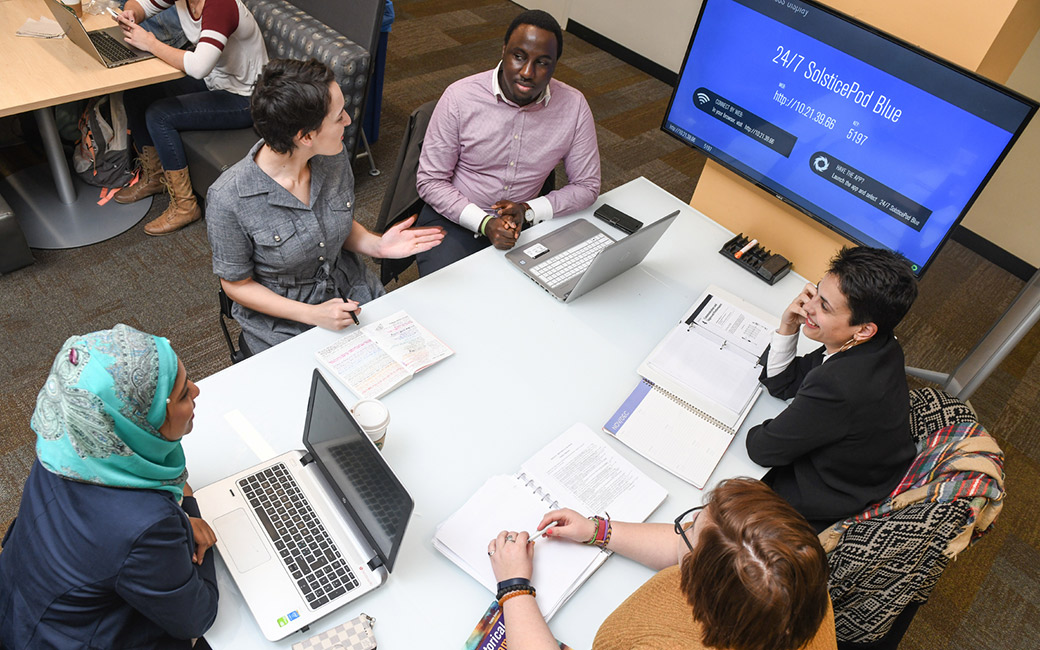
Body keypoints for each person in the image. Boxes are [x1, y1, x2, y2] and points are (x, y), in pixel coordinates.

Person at [0, 324, 218, 649]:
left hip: (19, 609)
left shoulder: (66, 442)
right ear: (139, 419)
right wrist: (190, 526)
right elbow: (196, 616)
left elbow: (99, 539)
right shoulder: (147, 525)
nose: (197, 391)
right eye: (184, 392)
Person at [206, 59, 444, 354]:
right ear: (305, 136)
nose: (347, 120)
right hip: (284, 322)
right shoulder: (229, 199)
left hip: (352, 292)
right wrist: (312, 315)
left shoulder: (333, 155)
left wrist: (378, 246)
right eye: (338, 116)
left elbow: (329, 224)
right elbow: (236, 285)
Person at [486, 478, 837, 650]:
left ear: (703, 586)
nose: (685, 525)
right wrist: (598, 530)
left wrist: (514, 586)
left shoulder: (649, 643)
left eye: (692, 528)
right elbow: (682, 547)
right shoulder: (793, 581)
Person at [414, 9, 601, 276]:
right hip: (456, 215)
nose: (527, 72)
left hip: (525, 221)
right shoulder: (459, 98)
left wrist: (528, 210)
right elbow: (430, 181)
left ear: (555, 65)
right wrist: (485, 223)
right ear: (503, 51)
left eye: (542, 62)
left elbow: (587, 185)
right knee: (451, 301)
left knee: (550, 294)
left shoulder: (574, 106)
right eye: (519, 56)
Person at [746, 246, 920, 532]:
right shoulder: (880, 345)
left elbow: (761, 449)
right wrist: (788, 326)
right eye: (816, 292)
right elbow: (784, 382)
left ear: (863, 329)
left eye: (824, 307)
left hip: (820, 501)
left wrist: (767, 426)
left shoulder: (840, 383)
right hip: (866, 473)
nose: (809, 307)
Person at [112, 0, 269, 236]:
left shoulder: (221, 5)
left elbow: (198, 67)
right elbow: (142, 4)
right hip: (215, 81)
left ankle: (185, 206)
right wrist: (131, 13)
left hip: (245, 98)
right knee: (137, 92)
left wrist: (150, 43)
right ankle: (154, 176)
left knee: (160, 116)